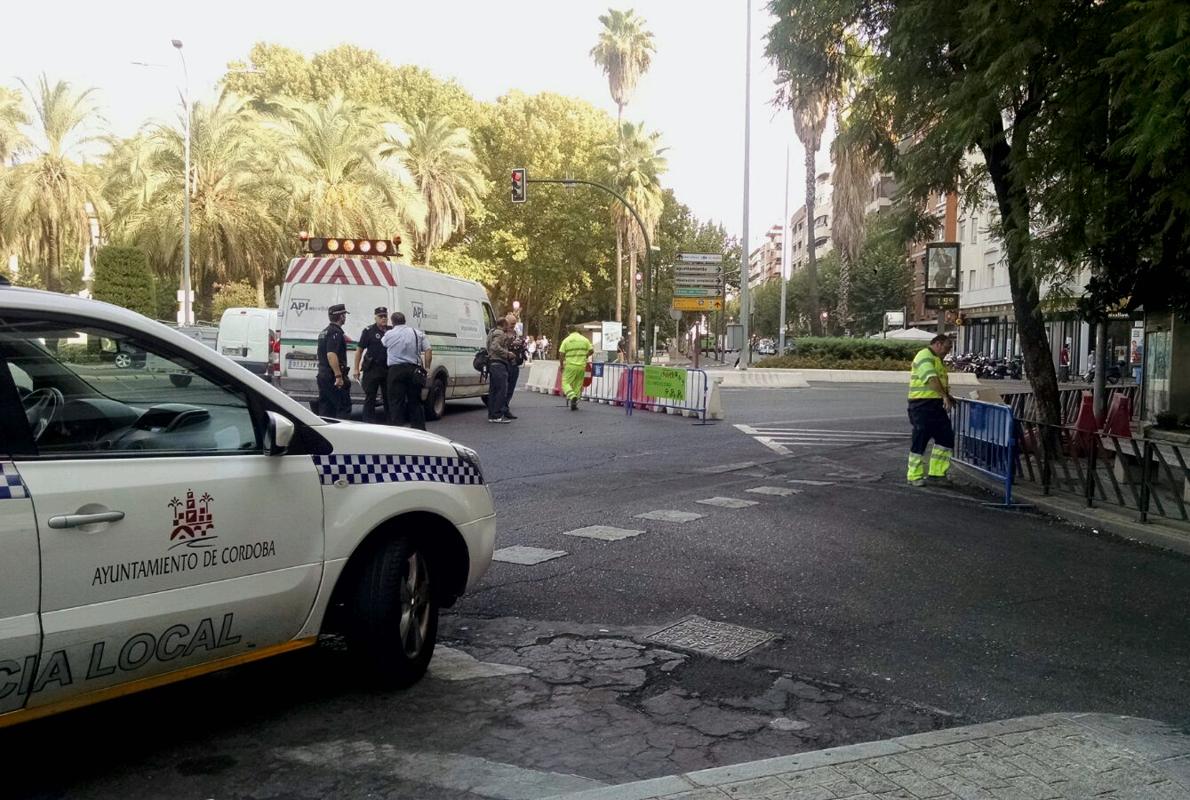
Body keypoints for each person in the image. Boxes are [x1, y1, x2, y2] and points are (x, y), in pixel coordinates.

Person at [907, 333, 955, 486]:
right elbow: (931, 379)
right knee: (920, 439)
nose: (948, 352)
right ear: (938, 344)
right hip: (921, 405)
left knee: (945, 438)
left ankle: (937, 473)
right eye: (947, 348)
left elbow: (938, 382)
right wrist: (945, 397)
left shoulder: (937, 360)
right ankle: (914, 475)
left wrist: (947, 396)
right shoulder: (924, 356)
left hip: (935, 404)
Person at [381, 311, 429, 430]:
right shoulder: (417, 333)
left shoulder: (389, 334)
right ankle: (419, 430)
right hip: (413, 370)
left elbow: (383, 344)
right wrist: (427, 367)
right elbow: (428, 350)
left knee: (396, 402)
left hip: (395, 370)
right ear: (404, 321)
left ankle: (398, 430)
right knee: (415, 402)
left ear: (392, 322)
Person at [353, 306, 390, 424]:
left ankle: (390, 421)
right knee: (370, 397)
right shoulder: (369, 331)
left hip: (387, 368)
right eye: (381, 316)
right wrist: (356, 368)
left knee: (388, 396)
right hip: (372, 368)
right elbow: (359, 350)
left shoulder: (391, 331)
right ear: (375, 317)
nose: (383, 319)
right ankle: (368, 421)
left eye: (385, 316)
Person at [316, 303, 351, 418]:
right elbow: (331, 354)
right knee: (343, 407)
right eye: (344, 315)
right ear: (341, 317)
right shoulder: (336, 332)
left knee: (326, 408)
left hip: (323, 374)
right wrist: (338, 376)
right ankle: (342, 434)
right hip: (332, 377)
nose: (345, 317)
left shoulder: (324, 332)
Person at [485, 316, 515, 423]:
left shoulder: (492, 332)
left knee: (493, 390)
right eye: (507, 325)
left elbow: (490, 347)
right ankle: (497, 415)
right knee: (501, 390)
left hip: (492, 364)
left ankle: (492, 415)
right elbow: (495, 347)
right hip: (499, 364)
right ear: (504, 325)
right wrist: (507, 354)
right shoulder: (500, 333)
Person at [558, 325, 594, 411]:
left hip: (570, 365)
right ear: (576, 330)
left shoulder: (566, 340)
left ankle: (572, 396)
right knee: (578, 384)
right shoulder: (584, 339)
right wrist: (586, 355)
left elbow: (561, 354)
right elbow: (592, 350)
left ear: (568, 331)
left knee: (565, 383)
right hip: (581, 366)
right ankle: (574, 403)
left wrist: (562, 365)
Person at [501, 314, 527, 420]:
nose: (513, 325)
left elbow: (520, 345)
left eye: (514, 323)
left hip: (515, 364)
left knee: (510, 388)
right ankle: (500, 409)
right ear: (505, 322)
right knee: (503, 388)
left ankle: (505, 408)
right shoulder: (501, 333)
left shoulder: (516, 333)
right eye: (511, 323)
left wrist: (522, 346)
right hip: (504, 363)